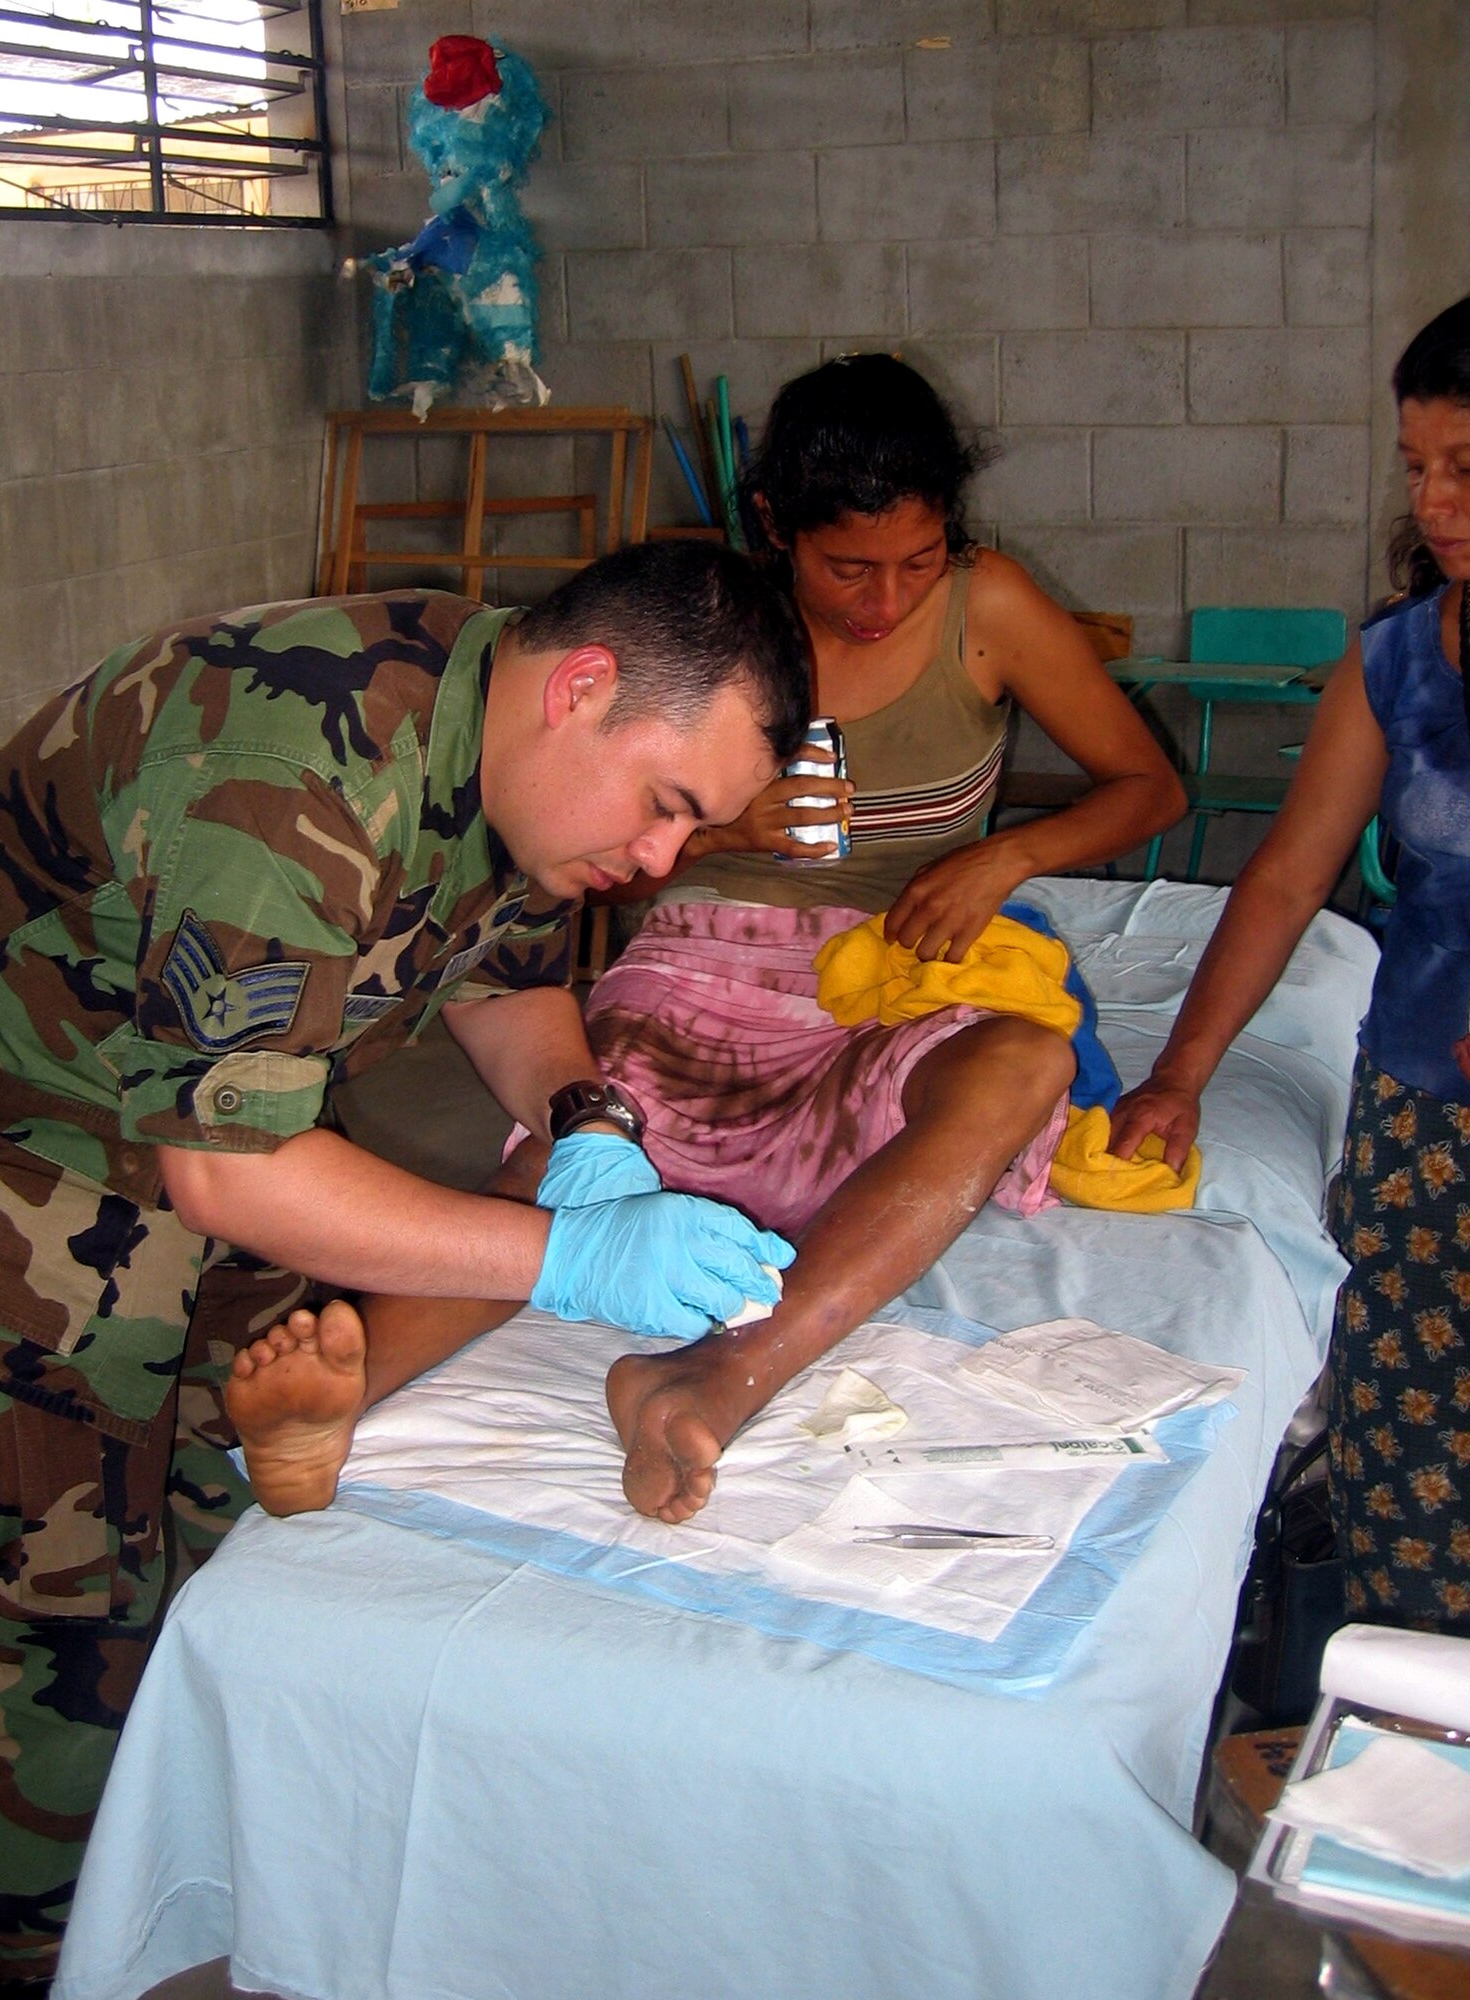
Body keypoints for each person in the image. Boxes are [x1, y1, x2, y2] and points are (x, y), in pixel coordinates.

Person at [0, 536, 808, 2000]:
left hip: (189, 1119)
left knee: (248, 1492)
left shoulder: (506, 739)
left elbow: (507, 978)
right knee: (67, 1589)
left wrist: (589, 1126)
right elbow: (230, 1168)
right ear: (586, 686)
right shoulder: (286, 775)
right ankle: (36, 1954)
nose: (661, 860)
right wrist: (568, 1254)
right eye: (669, 807)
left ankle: (204, 1845)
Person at [229, 352, 1184, 1530]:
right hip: (705, 956)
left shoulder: (988, 611)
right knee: (585, 1127)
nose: (884, 602)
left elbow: (1147, 786)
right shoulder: (711, 634)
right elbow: (595, 856)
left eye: (917, 563)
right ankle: (348, 1383)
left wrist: (1005, 855)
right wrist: (723, 824)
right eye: (847, 567)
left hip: (894, 963)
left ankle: (716, 1375)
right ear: (777, 528)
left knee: (1017, 1064)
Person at [1110, 296, 1470, 1640]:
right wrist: (1182, 1074)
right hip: (1425, 1128)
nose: (1434, 501)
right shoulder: (1397, 664)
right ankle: (1409, 1727)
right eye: (1418, 465)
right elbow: (1282, 878)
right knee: (1410, 1453)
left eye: (1466, 469)